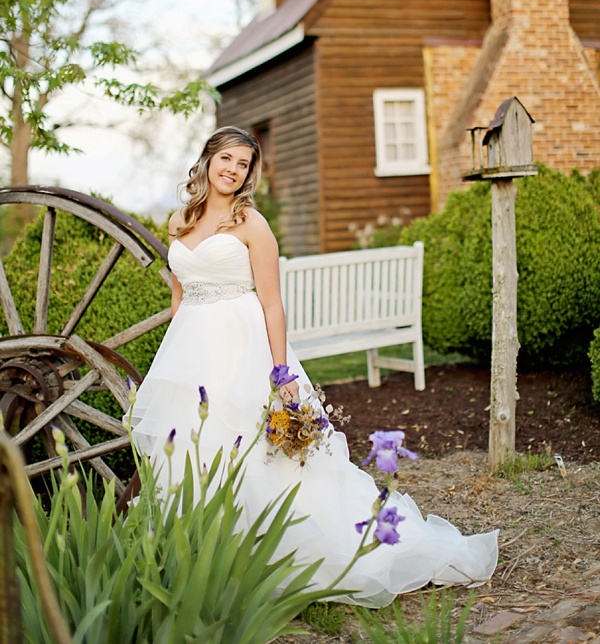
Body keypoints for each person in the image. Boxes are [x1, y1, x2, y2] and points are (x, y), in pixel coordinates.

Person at [130, 126, 498, 607]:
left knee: (261, 457)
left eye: (243, 164)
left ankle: (282, 555)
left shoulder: (251, 224)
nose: (233, 170)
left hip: (244, 349)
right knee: (195, 451)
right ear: (207, 159)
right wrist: (177, 359)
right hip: (193, 351)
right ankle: (207, 556)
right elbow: (178, 296)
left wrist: (281, 377)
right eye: (226, 159)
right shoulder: (179, 220)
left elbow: (272, 306)